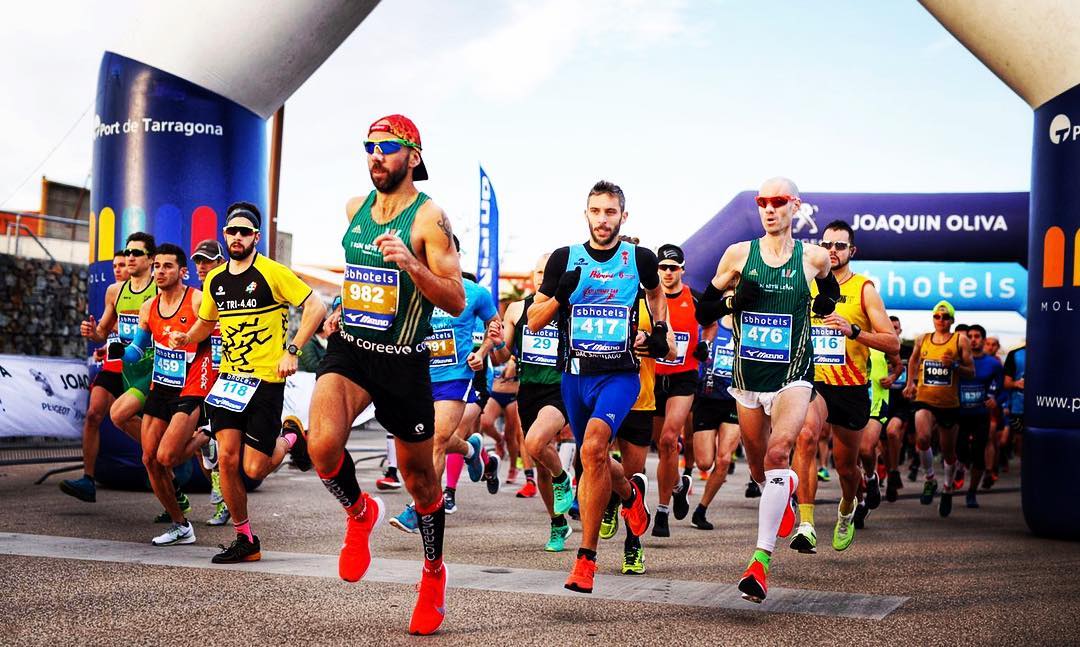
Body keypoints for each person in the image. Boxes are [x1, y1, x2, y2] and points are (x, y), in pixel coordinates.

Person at [306, 115, 462, 635]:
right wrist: (339, 308)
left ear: (412, 156)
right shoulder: (355, 210)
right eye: (369, 147)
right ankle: (359, 513)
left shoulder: (428, 219)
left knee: (420, 481)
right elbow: (363, 281)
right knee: (321, 447)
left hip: (404, 362)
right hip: (352, 350)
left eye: (387, 147)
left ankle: (434, 573)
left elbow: (456, 299)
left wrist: (412, 264)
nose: (376, 156)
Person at [695, 177, 833, 603]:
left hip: (794, 373)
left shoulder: (814, 257)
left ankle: (760, 563)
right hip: (747, 379)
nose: (769, 208)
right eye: (762, 202)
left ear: (795, 206)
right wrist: (733, 303)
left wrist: (825, 301)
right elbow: (704, 309)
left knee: (779, 452)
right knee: (760, 473)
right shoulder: (739, 254)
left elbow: (829, 288)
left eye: (777, 201)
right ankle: (784, 486)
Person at [168, 202, 324, 560]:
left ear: (255, 236)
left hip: (266, 380)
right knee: (226, 459)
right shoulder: (216, 280)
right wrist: (187, 337)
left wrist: (293, 350)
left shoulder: (272, 272)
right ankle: (246, 540)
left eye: (244, 232)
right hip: (229, 382)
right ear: (225, 236)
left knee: (254, 468)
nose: (237, 237)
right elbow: (207, 322)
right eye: (231, 231)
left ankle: (290, 437)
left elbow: (316, 307)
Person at [528, 180, 659, 594]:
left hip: (620, 375)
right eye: (596, 212)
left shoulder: (639, 258)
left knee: (593, 448)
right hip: (574, 376)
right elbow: (533, 320)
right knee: (595, 459)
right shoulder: (565, 259)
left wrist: (656, 331)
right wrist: (559, 300)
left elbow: (657, 299)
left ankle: (585, 560)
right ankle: (631, 498)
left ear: (624, 215)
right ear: (585, 214)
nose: (603, 219)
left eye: (610, 212)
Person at [789, 220, 898, 552]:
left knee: (846, 467)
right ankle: (805, 524)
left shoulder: (864, 288)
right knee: (806, 437)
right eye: (827, 245)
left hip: (850, 387)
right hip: (814, 381)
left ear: (852, 250)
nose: (832, 251)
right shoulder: (806, 285)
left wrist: (853, 331)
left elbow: (892, 343)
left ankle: (847, 507)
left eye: (839, 246)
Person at [390, 235, 495, 533]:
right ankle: (471, 450)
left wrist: (482, 352)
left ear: (456, 255)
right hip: (419, 375)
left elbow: (494, 325)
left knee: (435, 439)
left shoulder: (475, 293)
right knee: (420, 440)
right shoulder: (413, 289)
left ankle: (420, 509)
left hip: (455, 376)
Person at [113, 243, 209, 545]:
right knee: (149, 459)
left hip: (190, 386)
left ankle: (206, 435)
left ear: (182, 271)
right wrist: (119, 350)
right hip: (161, 385)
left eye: (167, 266)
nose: (160, 271)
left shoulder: (197, 301)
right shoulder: (149, 308)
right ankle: (181, 526)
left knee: (166, 457)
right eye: (157, 266)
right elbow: (136, 351)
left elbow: (216, 338)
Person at [492, 253, 577, 551]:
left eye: (549, 272)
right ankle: (558, 524)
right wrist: (498, 343)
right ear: (533, 275)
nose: (544, 277)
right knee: (540, 463)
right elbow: (501, 357)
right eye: (540, 272)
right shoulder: (517, 309)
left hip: (559, 389)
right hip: (528, 390)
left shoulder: (569, 307)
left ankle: (563, 477)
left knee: (535, 443)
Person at [60, 248, 138, 502]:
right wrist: (94, 334)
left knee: (130, 421)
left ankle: (167, 461)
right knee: (93, 414)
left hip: (138, 367)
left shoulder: (148, 292)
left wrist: (115, 334)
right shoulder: (113, 292)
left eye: (123, 264)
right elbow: (103, 331)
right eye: (115, 264)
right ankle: (88, 479)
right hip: (113, 364)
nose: (118, 268)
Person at [651, 244, 711, 538]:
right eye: (663, 267)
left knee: (668, 440)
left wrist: (706, 344)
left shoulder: (695, 298)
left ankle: (661, 513)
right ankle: (678, 486)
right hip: (653, 378)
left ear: (682, 270)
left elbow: (710, 324)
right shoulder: (649, 297)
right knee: (659, 444)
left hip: (683, 378)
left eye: (673, 268)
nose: (668, 273)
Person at [902, 300, 975, 518]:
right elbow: (913, 361)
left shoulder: (959, 340)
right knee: (922, 439)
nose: (940, 320)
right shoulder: (923, 339)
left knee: (948, 450)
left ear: (952, 320)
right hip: (924, 398)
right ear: (933, 318)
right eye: (937, 316)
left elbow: (971, 371)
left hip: (948, 403)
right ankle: (930, 479)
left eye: (945, 317)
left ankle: (947, 487)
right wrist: (910, 383)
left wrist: (954, 365)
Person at [689, 309, 742, 531]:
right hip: (707, 398)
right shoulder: (710, 326)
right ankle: (685, 483)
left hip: (734, 400)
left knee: (723, 460)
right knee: (704, 463)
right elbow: (694, 353)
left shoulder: (748, 329)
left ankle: (701, 509)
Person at [190, 239, 229, 525]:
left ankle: (289, 438)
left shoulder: (231, 288)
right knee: (206, 448)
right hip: (204, 377)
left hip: (233, 377)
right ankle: (220, 499)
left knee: (227, 447)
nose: (201, 266)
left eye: (207, 260)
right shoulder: (197, 297)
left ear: (220, 262)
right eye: (198, 261)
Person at [956, 324, 1003, 509]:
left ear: (983, 340)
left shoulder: (993, 363)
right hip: (959, 414)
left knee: (978, 455)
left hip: (980, 415)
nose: (974, 339)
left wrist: (996, 400)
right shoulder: (957, 360)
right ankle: (960, 468)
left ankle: (972, 492)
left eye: (977, 336)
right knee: (959, 451)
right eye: (970, 336)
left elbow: (1002, 388)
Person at [882, 316, 911, 502]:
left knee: (893, 432)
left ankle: (893, 471)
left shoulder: (908, 350)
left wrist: (912, 385)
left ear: (900, 330)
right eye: (889, 327)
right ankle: (892, 472)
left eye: (896, 327)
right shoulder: (879, 348)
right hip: (882, 400)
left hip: (902, 400)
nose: (893, 330)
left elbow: (915, 369)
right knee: (882, 444)